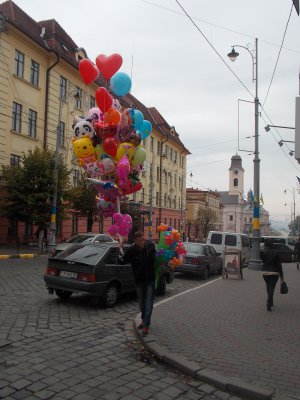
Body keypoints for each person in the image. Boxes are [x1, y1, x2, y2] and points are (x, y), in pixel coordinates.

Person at [119, 231, 156, 336]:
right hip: (139, 281)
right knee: (141, 304)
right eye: (140, 240)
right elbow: (122, 261)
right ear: (135, 240)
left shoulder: (150, 247)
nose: (142, 242)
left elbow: (155, 258)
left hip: (150, 280)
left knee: (149, 304)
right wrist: (120, 247)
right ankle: (144, 320)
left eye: (143, 239)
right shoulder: (131, 251)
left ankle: (146, 326)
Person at [260, 238, 284, 311]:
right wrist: (281, 274)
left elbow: (263, 260)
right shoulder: (276, 252)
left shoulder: (262, 252)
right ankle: (269, 302)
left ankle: (271, 301)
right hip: (274, 272)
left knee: (268, 286)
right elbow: (279, 265)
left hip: (265, 272)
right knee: (272, 287)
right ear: (272, 244)